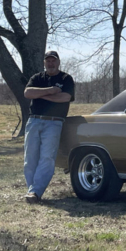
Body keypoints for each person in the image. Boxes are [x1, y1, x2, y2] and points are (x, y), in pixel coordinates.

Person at [23, 50, 75, 203]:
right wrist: (50, 91)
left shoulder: (66, 78)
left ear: (58, 62)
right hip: (34, 120)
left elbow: (65, 97)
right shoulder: (37, 78)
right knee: (30, 158)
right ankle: (32, 190)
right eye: (48, 61)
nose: (51, 63)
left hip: (54, 122)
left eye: (53, 60)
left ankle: (35, 192)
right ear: (44, 63)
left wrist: (40, 95)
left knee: (47, 157)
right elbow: (27, 92)